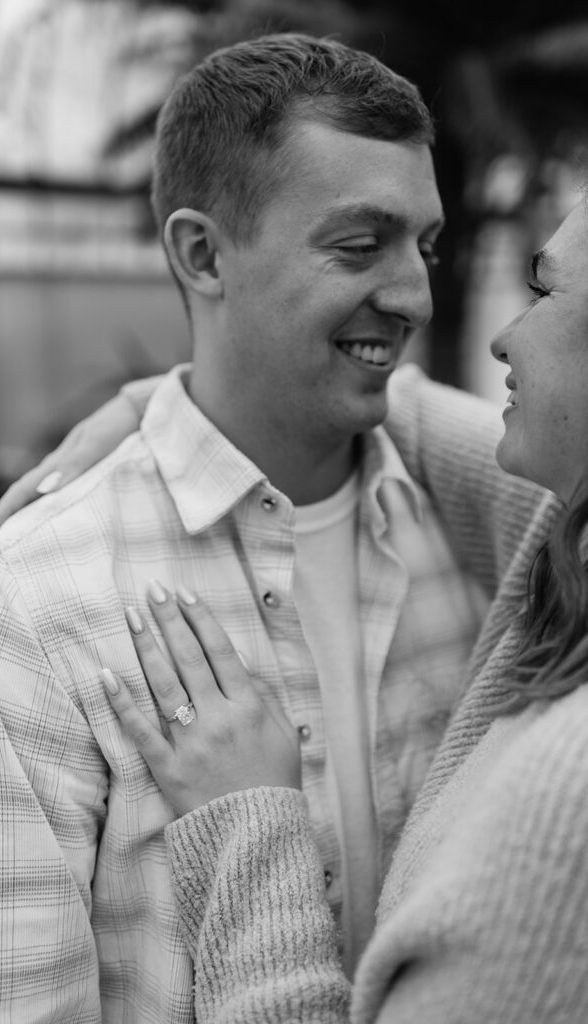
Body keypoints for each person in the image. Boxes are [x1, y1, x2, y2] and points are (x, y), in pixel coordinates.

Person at [0, 33, 550, 1023]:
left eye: (422, 243)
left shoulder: (486, 548)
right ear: (201, 254)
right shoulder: (25, 615)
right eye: (358, 243)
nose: (418, 294)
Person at [95, 198, 588, 1022]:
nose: (503, 334)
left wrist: (249, 824)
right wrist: (159, 405)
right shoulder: (564, 531)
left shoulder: (564, 802)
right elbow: (413, 411)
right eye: (359, 245)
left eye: (543, 293)